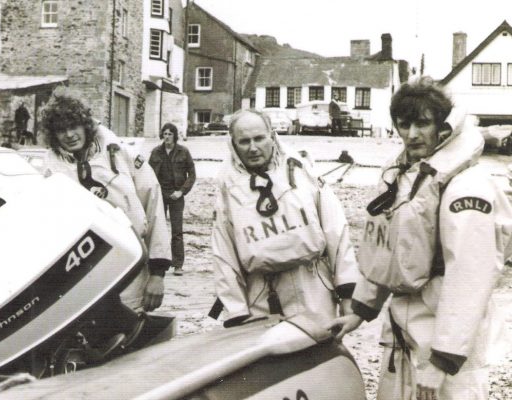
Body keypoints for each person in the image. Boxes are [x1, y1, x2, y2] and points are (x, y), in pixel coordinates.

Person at [329, 77, 510, 400]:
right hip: (402, 331)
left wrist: (442, 360)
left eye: (423, 124)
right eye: (404, 124)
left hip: (448, 345)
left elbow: (470, 278)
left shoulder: (467, 187)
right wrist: (361, 309)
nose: (412, 135)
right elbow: (388, 249)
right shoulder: (404, 178)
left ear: (444, 128)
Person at [210, 109, 360, 328]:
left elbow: (335, 229)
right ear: (233, 144)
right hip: (261, 294)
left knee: (319, 356)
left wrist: (347, 291)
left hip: (313, 285)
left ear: (272, 135)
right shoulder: (227, 186)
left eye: (259, 138)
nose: (253, 148)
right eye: (244, 141)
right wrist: (236, 310)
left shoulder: (301, 172)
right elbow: (224, 251)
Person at [40, 95, 172, 312]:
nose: (70, 135)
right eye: (61, 130)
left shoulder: (119, 154)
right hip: (84, 278)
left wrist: (158, 273)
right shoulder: (52, 172)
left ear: (85, 124)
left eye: (74, 126)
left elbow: (153, 204)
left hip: (132, 268)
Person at [148, 122, 196, 276]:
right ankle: (157, 264)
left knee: (177, 231)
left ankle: (178, 265)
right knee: (157, 230)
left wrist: (181, 191)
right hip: (160, 195)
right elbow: (147, 174)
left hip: (176, 196)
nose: (167, 137)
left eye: (170, 134)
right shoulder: (156, 152)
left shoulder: (184, 152)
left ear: (175, 136)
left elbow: (192, 175)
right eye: (165, 134)